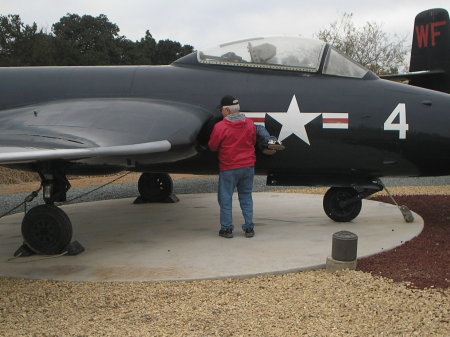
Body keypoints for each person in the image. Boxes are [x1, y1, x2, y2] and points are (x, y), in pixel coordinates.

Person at [208, 95, 257, 238]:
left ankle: (227, 229)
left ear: (228, 110)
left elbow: (213, 146)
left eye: (222, 110)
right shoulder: (249, 124)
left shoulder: (220, 127)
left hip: (229, 168)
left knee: (225, 198)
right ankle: (249, 228)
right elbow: (253, 140)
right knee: (246, 196)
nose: (221, 113)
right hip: (248, 166)